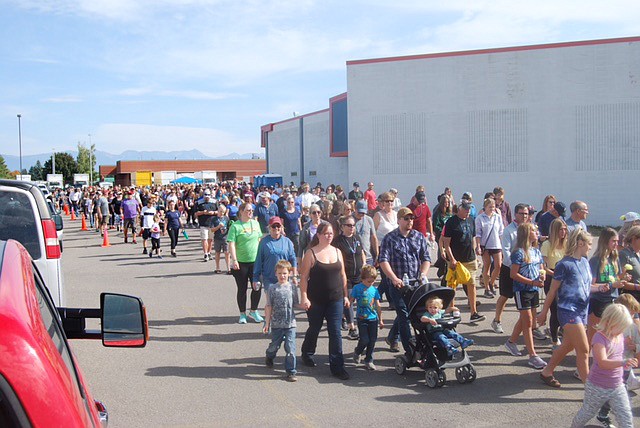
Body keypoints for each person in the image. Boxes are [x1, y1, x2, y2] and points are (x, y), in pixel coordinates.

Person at [538, 229, 593, 387]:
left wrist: (607, 287)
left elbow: (587, 287)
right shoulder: (564, 265)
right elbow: (552, 291)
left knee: (568, 345)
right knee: (583, 349)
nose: (590, 247)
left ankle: (547, 371)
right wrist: (543, 313)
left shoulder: (584, 262)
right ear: (580, 243)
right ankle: (591, 391)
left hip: (582, 311)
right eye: (589, 244)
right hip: (568, 311)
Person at [570, 304, 637, 428]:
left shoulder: (619, 336)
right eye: (621, 326)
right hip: (597, 386)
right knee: (587, 413)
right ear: (610, 322)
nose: (623, 331)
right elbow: (602, 362)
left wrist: (631, 351)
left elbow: (617, 355)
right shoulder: (599, 338)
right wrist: (623, 362)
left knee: (626, 417)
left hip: (617, 386)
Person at [299, 222, 351, 380]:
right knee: (314, 327)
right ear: (319, 235)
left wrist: (345, 295)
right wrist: (304, 296)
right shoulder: (311, 253)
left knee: (335, 331)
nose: (329, 236)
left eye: (331, 233)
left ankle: (337, 366)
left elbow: (342, 275)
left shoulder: (337, 252)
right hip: (316, 299)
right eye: (326, 233)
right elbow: (304, 277)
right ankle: (307, 352)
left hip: (335, 299)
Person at [379, 207, 431, 356]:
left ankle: (391, 337)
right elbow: (383, 261)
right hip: (397, 285)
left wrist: (423, 274)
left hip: (414, 284)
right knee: (404, 315)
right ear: (399, 220)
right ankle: (410, 350)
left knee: (409, 313)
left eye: (412, 218)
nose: (410, 221)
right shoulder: (390, 238)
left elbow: (426, 258)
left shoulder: (418, 236)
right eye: (406, 218)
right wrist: (394, 278)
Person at [504, 223, 547, 369]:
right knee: (528, 322)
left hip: (534, 290)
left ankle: (511, 342)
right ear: (527, 234)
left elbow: (541, 268)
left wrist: (543, 276)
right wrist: (532, 281)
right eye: (534, 231)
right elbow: (513, 274)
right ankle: (533, 355)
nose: (537, 232)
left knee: (526, 319)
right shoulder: (519, 253)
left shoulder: (536, 251)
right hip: (522, 290)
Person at [442, 200, 485, 323]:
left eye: (469, 209)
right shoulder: (451, 222)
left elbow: (472, 237)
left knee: (471, 284)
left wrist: (476, 249)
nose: (468, 212)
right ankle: (452, 309)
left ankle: (474, 312)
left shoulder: (471, 220)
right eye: (466, 209)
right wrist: (452, 259)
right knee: (452, 285)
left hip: (470, 259)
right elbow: (446, 243)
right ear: (459, 209)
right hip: (457, 260)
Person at [492, 203, 530, 334]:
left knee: (526, 299)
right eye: (522, 213)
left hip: (525, 270)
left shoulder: (530, 228)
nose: (524, 216)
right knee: (505, 296)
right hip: (509, 268)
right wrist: (516, 265)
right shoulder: (508, 230)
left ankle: (530, 326)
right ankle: (497, 320)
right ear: (515, 214)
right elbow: (506, 251)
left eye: (526, 213)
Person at [587, 228, 629, 344]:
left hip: (612, 300)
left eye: (617, 241)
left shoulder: (614, 259)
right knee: (594, 334)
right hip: (598, 301)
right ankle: (588, 359)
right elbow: (591, 284)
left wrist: (623, 279)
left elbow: (616, 278)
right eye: (613, 241)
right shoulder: (596, 260)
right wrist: (611, 285)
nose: (617, 244)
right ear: (605, 241)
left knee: (610, 334)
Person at [228, 202, 263, 324]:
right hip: (241, 263)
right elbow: (231, 243)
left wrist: (261, 257)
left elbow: (259, 239)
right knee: (242, 289)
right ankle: (242, 314)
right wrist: (234, 260)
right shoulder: (235, 226)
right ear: (241, 211)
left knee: (257, 286)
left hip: (255, 262)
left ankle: (254, 310)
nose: (251, 213)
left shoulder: (255, 223)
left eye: (252, 211)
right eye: (248, 210)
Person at [263, 260, 299, 382]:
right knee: (274, 346)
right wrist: (267, 323)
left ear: (289, 273)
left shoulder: (292, 288)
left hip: (290, 324)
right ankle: (269, 356)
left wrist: (305, 305)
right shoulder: (272, 288)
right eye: (279, 273)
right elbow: (268, 306)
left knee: (290, 347)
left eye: (284, 273)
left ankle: (291, 371)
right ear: (275, 274)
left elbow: (295, 304)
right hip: (277, 324)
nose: (282, 276)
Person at [333, 215, 366, 341]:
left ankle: (346, 318)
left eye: (353, 225)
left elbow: (361, 253)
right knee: (349, 300)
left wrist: (364, 265)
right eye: (349, 225)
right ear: (342, 227)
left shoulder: (357, 238)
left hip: (359, 275)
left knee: (361, 300)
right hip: (345, 276)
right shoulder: (338, 241)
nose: (352, 228)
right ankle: (352, 328)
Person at [540, 218, 568, 348]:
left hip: (565, 281)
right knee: (555, 308)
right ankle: (554, 339)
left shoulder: (567, 244)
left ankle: (561, 330)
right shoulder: (547, 244)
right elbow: (543, 266)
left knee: (564, 308)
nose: (563, 232)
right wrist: (555, 274)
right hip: (552, 279)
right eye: (561, 229)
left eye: (564, 229)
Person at [351, 265, 383, 371]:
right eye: (368, 281)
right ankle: (358, 351)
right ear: (362, 279)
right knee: (364, 339)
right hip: (362, 318)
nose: (371, 284)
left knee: (372, 340)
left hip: (373, 318)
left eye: (373, 281)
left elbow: (378, 305)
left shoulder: (374, 290)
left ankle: (369, 359)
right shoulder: (357, 288)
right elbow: (350, 301)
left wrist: (381, 319)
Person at [253, 216, 298, 293]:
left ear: (281, 227)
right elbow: (259, 261)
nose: (276, 228)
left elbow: (293, 259)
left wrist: (294, 275)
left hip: (284, 278)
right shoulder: (264, 242)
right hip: (269, 278)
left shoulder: (287, 242)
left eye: (278, 226)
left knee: (284, 302)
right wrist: (255, 278)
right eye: (274, 226)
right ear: (269, 227)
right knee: (270, 303)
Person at [475, 197, 505, 298]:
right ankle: (487, 288)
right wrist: (478, 246)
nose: (492, 209)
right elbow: (478, 233)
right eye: (490, 207)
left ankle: (491, 283)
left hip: (496, 244)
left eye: (493, 207)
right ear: (485, 207)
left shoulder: (497, 217)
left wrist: (503, 245)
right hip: (486, 245)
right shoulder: (480, 218)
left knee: (498, 266)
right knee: (487, 266)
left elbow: (501, 231)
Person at [196, 190, 218, 262]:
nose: (207, 197)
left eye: (208, 195)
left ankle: (209, 252)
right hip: (203, 223)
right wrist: (203, 212)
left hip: (212, 223)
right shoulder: (199, 202)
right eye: (205, 195)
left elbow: (219, 211)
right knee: (204, 239)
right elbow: (196, 213)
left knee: (210, 239)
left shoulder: (214, 202)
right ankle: (205, 253)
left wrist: (213, 212)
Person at [619, 225, 640, 303]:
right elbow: (619, 279)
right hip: (631, 298)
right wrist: (637, 287)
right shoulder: (624, 255)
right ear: (634, 238)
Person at [354, 200, 378, 266]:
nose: (361, 215)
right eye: (359, 212)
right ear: (355, 209)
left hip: (368, 257)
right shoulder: (350, 220)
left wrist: (377, 254)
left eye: (363, 213)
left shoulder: (369, 220)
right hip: (355, 257)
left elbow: (373, 237)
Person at [212, 204, 230, 272]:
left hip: (225, 237)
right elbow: (212, 229)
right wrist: (218, 227)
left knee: (227, 253)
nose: (222, 213)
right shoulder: (214, 219)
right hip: (217, 238)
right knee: (217, 252)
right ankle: (217, 267)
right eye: (220, 211)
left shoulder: (226, 218)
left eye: (223, 211)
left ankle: (228, 268)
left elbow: (229, 227)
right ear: (218, 211)